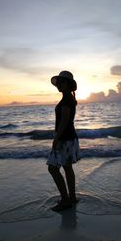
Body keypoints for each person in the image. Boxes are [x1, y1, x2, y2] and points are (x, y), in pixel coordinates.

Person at [47, 70, 80, 212]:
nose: (58, 85)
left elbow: (65, 120)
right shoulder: (68, 98)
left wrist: (56, 138)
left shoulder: (66, 99)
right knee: (67, 167)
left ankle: (65, 200)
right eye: (57, 83)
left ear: (67, 84)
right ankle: (71, 197)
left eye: (60, 82)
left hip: (64, 139)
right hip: (70, 138)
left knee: (53, 168)